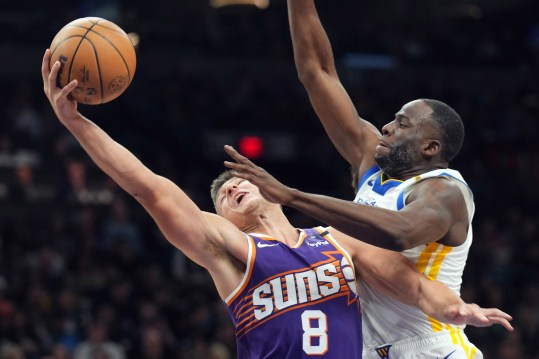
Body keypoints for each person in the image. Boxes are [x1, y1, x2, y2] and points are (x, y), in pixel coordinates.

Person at [42, 50, 512, 359]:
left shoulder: (336, 242)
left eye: (237, 181)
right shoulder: (230, 251)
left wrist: (456, 309)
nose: (230, 188)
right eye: (221, 195)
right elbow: (150, 187)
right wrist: (76, 123)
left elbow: (410, 283)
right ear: (220, 220)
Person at [223, 1, 496, 358]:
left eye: (402, 124)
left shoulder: (445, 191)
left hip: (431, 345)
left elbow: (400, 232)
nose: (386, 126)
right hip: (365, 350)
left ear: (430, 147)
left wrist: (292, 196)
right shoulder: (370, 161)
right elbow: (317, 72)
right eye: (393, 119)